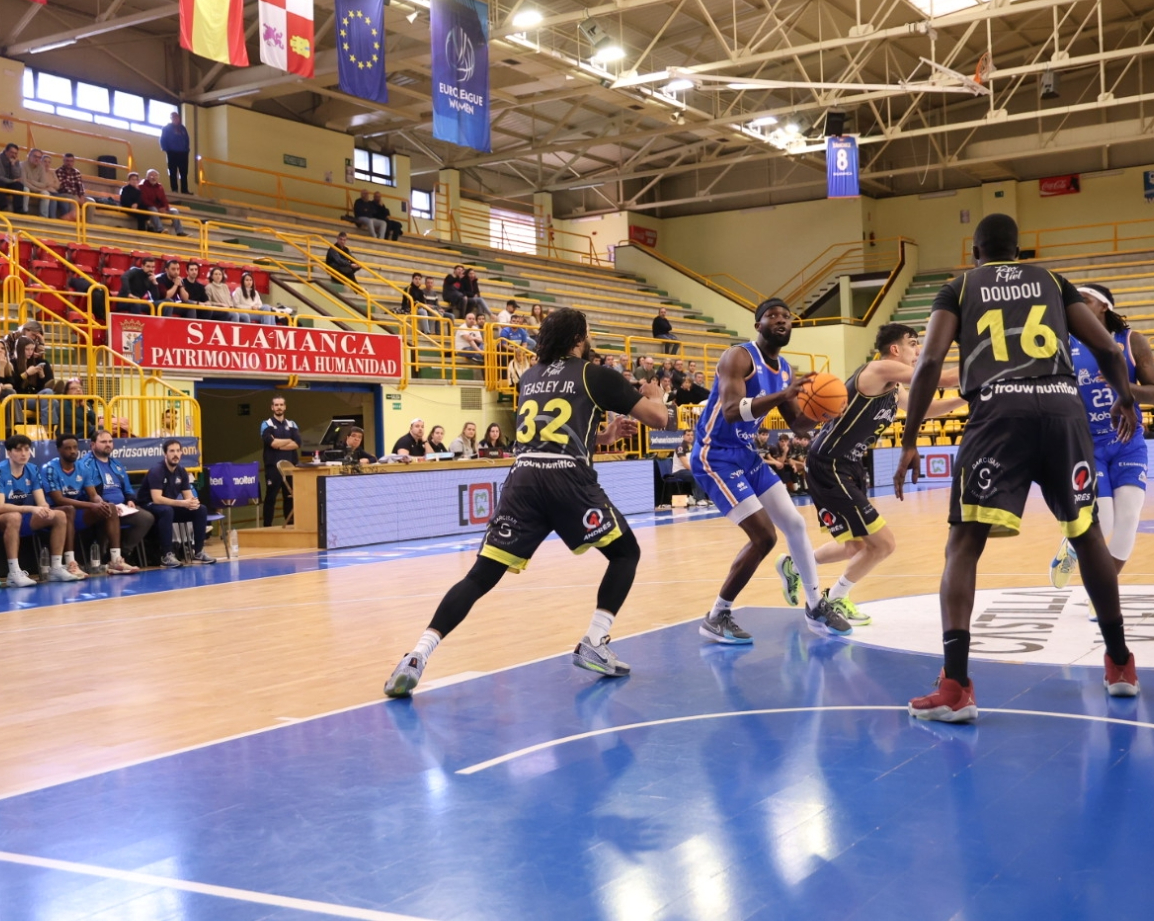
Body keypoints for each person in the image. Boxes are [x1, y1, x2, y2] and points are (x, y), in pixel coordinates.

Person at [896, 213, 1140, 722]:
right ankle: (1120, 664)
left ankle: (956, 686)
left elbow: (928, 362)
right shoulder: (1053, 281)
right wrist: (1125, 400)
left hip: (998, 413)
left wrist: (912, 438)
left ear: (976, 250)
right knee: (1088, 536)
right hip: (1061, 409)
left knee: (964, 542)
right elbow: (1107, 346)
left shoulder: (958, 286)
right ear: (1019, 249)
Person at [384, 307, 672, 697]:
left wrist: (602, 438)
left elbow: (550, 432)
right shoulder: (594, 375)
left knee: (480, 576)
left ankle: (417, 655)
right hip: (567, 481)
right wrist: (660, 396)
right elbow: (658, 419)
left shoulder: (531, 377)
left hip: (523, 480)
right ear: (577, 339)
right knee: (625, 553)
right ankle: (595, 641)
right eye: (587, 333)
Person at [690, 298, 853, 644]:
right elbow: (732, 411)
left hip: (746, 454)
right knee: (765, 537)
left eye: (787, 317)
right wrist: (783, 395)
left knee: (794, 523)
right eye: (772, 316)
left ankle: (814, 606)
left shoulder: (786, 370)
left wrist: (827, 413)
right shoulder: (738, 356)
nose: (781, 320)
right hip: (714, 454)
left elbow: (797, 425)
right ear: (758, 325)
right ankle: (717, 615)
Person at [779, 323, 963, 626]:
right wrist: (987, 366)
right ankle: (836, 597)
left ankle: (795, 566)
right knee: (884, 544)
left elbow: (927, 408)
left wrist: (967, 398)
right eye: (913, 344)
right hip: (829, 464)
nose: (918, 351)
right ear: (895, 350)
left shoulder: (894, 389)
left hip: (849, 467)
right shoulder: (877, 371)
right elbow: (938, 378)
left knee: (857, 546)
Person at [1049, 283, 1154, 591]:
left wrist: (1124, 390)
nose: (1074, 307)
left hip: (1128, 441)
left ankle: (1100, 591)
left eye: (1083, 300)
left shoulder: (1131, 341)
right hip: (1086, 443)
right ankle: (1072, 546)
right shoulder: (1063, 344)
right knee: (1107, 521)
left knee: (1129, 517)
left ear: (1103, 306)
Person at [0, 433, 76, 584]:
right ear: (9, 452)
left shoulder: (33, 469)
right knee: (14, 516)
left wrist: (45, 508)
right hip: (0, 518)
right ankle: (14, 573)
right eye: (19, 450)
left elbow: (41, 501)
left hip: (25, 515)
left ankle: (56, 568)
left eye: (27, 449)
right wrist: (32, 509)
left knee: (59, 515)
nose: (23, 454)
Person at [77, 429, 153, 573]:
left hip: (122, 507)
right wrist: (108, 504)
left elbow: (128, 488)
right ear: (92, 445)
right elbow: (86, 493)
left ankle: (122, 556)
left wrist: (130, 500)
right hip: (100, 508)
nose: (108, 444)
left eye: (110, 441)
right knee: (110, 512)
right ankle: (111, 557)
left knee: (146, 518)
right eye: (103, 442)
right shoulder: (85, 464)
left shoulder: (116, 463)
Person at [139, 438, 216, 567]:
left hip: (168, 506)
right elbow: (157, 499)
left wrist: (193, 503)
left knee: (200, 509)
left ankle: (198, 552)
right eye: (172, 451)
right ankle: (166, 555)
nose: (175, 454)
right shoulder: (157, 470)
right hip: (148, 505)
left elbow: (188, 497)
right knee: (166, 510)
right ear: (165, 454)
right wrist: (183, 503)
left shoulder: (181, 471)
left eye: (178, 451)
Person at [38, 434, 100, 575]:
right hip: (54, 510)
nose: (72, 451)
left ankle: (114, 559)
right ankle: (71, 562)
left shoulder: (82, 467)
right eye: (68, 448)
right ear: (59, 450)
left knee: (110, 509)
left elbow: (93, 495)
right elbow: (59, 500)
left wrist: (100, 503)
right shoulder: (49, 468)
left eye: (75, 447)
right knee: (68, 509)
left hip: (76, 510)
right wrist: (90, 505)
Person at [260, 396, 300, 526]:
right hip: (273, 467)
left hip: (290, 467)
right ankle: (267, 526)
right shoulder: (266, 424)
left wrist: (279, 443)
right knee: (271, 498)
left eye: (281, 405)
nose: (279, 407)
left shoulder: (292, 424)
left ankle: (290, 524)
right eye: (276, 405)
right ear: (272, 407)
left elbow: (298, 443)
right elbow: (272, 443)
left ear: (285, 407)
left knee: (289, 497)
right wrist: (289, 440)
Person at [140, 169, 183, 235]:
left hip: (160, 209)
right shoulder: (142, 186)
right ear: (147, 177)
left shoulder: (160, 187)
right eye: (151, 175)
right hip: (148, 209)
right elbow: (145, 200)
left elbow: (164, 199)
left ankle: (180, 232)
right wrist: (158, 208)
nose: (153, 177)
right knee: (153, 209)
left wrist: (165, 208)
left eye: (155, 176)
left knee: (175, 211)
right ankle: (160, 229)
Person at [161, 111, 191, 193]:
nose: (176, 119)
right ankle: (174, 189)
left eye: (177, 117)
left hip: (183, 153)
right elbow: (163, 139)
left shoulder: (182, 128)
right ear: (171, 119)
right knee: (173, 171)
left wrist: (187, 149)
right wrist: (166, 149)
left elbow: (187, 139)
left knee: (184, 172)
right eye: (174, 117)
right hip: (172, 153)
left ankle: (184, 190)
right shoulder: (166, 128)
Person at [23, 148, 55, 216]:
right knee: (25, 189)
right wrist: (38, 188)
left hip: (36, 188)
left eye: (39, 157)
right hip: (27, 187)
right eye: (35, 156)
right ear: (29, 156)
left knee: (46, 193)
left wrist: (32, 181)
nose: (37, 159)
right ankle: (24, 212)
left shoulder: (41, 168)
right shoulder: (22, 165)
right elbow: (24, 182)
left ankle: (44, 216)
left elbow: (44, 184)